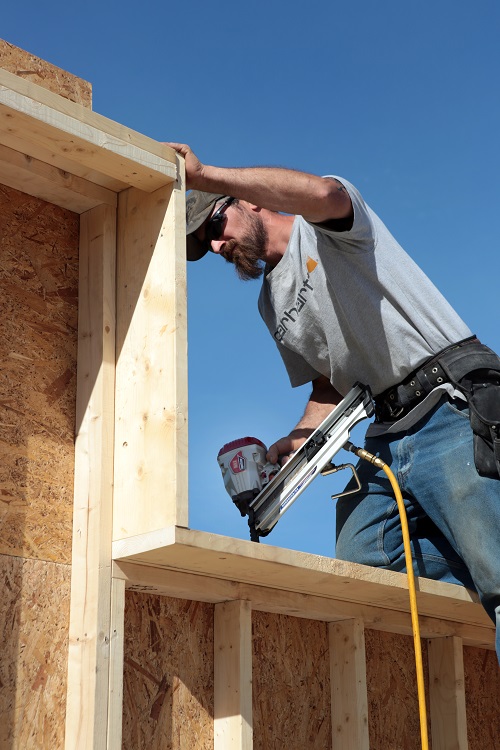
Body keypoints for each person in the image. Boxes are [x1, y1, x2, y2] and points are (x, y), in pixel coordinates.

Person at [166, 142, 500, 661]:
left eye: (215, 227)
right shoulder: (269, 301)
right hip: (388, 430)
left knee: (497, 574)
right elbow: (330, 382)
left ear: (248, 200)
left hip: (446, 405)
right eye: (204, 244)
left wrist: (206, 174)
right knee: (366, 562)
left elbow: (324, 192)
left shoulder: (328, 228)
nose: (215, 247)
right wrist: (298, 439)